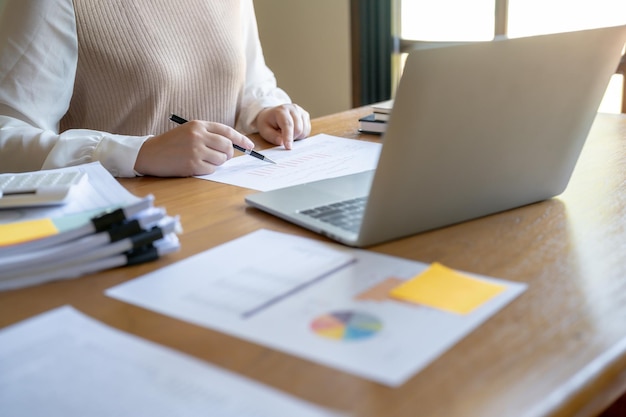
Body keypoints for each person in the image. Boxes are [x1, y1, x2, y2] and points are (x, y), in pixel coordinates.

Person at [0, 0, 311, 178]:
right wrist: (137, 153)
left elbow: (252, 82)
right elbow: (7, 137)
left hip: (227, 210)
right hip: (123, 224)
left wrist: (265, 110)